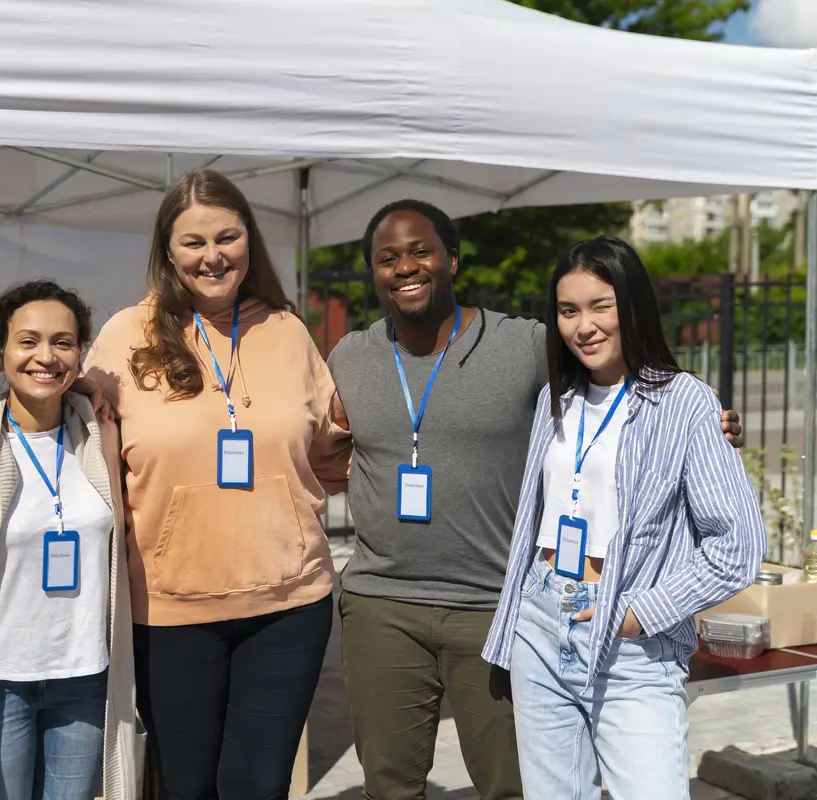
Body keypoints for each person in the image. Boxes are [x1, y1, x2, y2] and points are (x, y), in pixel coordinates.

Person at [327, 200, 742, 800]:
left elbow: (621, 377)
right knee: (388, 786)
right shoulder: (349, 357)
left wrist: (715, 422)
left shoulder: (525, 345)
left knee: (514, 787)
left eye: (421, 251)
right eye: (387, 258)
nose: (405, 267)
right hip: (383, 603)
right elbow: (314, 441)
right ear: (372, 271)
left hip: (497, 606)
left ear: (452, 260)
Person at [84, 168, 353, 800]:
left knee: (258, 787)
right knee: (186, 787)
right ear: (168, 251)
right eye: (193, 242)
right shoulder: (127, 334)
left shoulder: (286, 332)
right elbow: (84, 454)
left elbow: (330, 447)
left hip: (288, 606)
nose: (213, 256)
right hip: (171, 607)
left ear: (249, 242)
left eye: (227, 237)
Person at [481, 236, 766, 799]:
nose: (583, 325)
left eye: (599, 305)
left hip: (629, 640)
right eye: (568, 311)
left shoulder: (684, 401)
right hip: (540, 623)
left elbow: (738, 545)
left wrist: (640, 612)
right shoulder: (553, 399)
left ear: (631, 305)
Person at [0, 279, 139, 800]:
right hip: (1, 681)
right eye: (27, 341)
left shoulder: (99, 433)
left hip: (86, 674)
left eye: (63, 342)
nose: (44, 357)